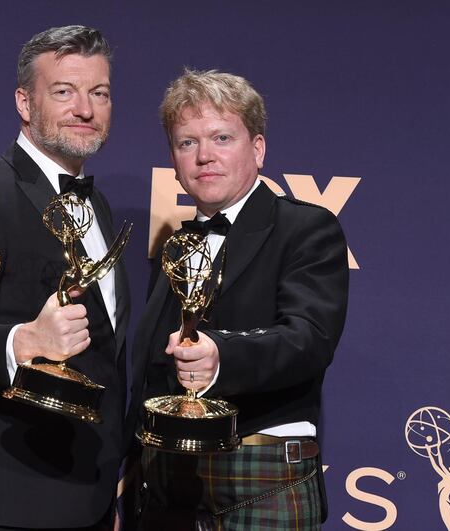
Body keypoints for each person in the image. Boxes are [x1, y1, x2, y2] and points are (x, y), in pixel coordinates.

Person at [0, 25, 132, 530]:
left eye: (98, 93)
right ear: (24, 102)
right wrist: (25, 341)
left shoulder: (97, 206)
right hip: (8, 498)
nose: (85, 108)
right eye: (64, 91)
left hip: (93, 494)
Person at [130, 69, 349, 529]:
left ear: (259, 149)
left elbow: (308, 339)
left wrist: (221, 356)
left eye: (221, 137)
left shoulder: (307, 228)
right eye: (186, 142)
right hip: (168, 480)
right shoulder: (174, 247)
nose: (204, 156)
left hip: (262, 472)